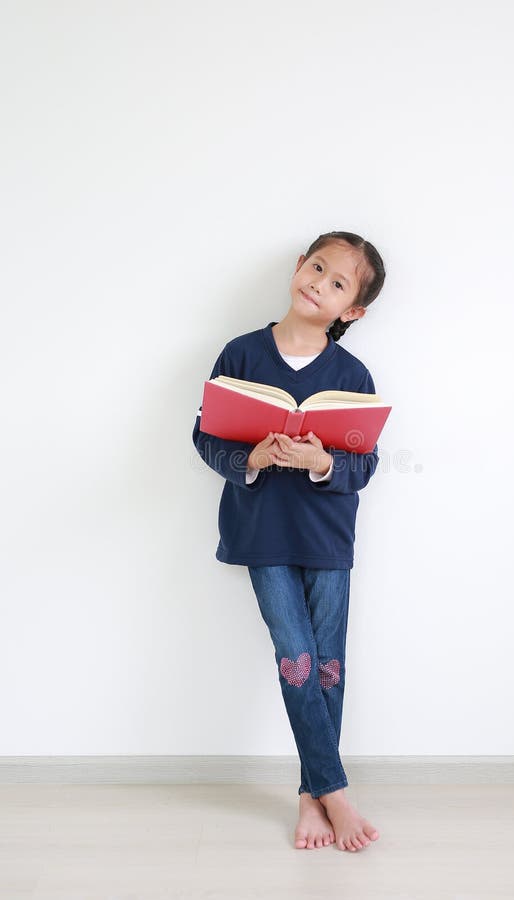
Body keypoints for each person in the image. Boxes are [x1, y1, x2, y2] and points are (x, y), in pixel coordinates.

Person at [192, 230, 386, 852]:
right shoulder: (241, 354)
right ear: (299, 265)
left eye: (338, 284)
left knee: (328, 667)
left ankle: (311, 797)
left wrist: (320, 463)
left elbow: (364, 465)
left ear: (350, 311)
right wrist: (250, 456)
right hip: (262, 535)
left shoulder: (352, 373)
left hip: (327, 538)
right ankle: (336, 793)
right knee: (296, 661)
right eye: (317, 267)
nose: (318, 284)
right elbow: (205, 437)